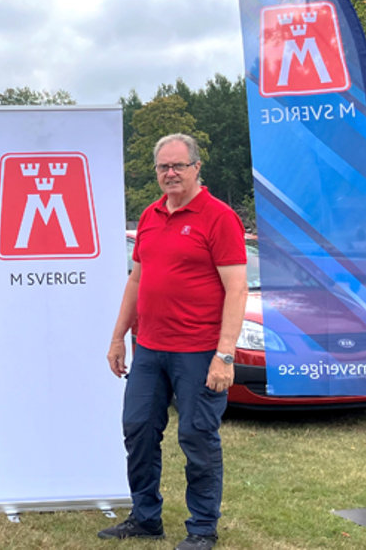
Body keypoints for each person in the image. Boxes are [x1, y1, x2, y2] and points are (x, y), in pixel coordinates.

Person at [101, 134, 248, 550]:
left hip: (199, 351)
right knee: (138, 430)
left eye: (178, 165)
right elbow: (137, 280)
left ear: (196, 167)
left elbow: (236, 289)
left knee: (197, 438)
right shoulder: (149, 216)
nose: (170, 173)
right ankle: (145, 517)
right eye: (163, 167)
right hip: (149, 348)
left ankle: (202, 527)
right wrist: (117, 337)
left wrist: (224, 354)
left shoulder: (219, 218)